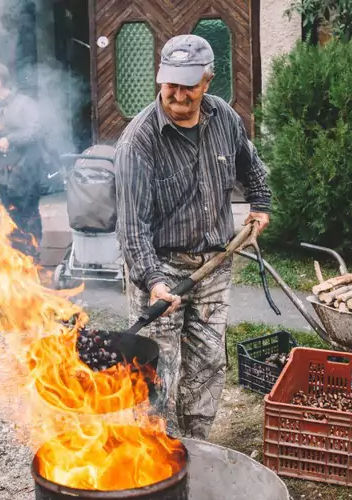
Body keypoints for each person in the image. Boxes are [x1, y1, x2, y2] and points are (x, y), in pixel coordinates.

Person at [115, 34, 272, 440]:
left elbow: (251, 166)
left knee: (208, 365)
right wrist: (154, 282)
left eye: (189, 84)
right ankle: (154, 455)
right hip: (160, 267)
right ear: (159, 78)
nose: (178, 94)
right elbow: (132, 227)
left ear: (207, 81)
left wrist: (260, 204)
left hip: (215, 265)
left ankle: (196, 447)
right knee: (157, 370)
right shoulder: (139, 141)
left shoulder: (224, 118)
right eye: (171, 83)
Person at [0, 63, 42, 259]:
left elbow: (35, 131)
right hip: (1, 174)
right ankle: (17, 259)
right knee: (10, 216)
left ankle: (33, 257)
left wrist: (10, 140)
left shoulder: (25, 104)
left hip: (25, 172)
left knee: (28, 216)